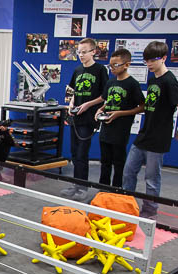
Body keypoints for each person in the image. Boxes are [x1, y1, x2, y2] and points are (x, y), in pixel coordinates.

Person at [122, 41, 178, 219]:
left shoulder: (169, 81)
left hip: (159, 137)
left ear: (164, 58)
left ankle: (150, 210)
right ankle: (126, 204)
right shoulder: (153, 79)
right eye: (146, 61)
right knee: (128, 171)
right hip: (144, 134)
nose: (149, 64)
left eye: (153, 60)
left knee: (151, 178)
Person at [62, 38, 109, 201]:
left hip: (89, 119)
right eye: (79, 52)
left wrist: (89, 104)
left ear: (93, 52)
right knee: (74, 153)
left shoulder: (100, 70)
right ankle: (76, 184)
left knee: (82, 153)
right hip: (76, 117)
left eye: (84, 52)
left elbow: (105, 95)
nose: (81, 55)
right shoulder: (78, 70)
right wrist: (72, 104)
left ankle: (82, 187)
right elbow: (73, 91)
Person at [94, 48, 144, 187]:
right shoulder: (110, 83)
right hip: (106, 129)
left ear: (126, 65)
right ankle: (102, 189)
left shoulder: (132, 84)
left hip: (120, 130)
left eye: (116, 65)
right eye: (110, 66)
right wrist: (100, 109)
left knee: (118, 163)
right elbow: (107, 101)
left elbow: (142, 106)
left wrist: (120, 113)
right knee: (105, 162)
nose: (112, 69)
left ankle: (116, 190)